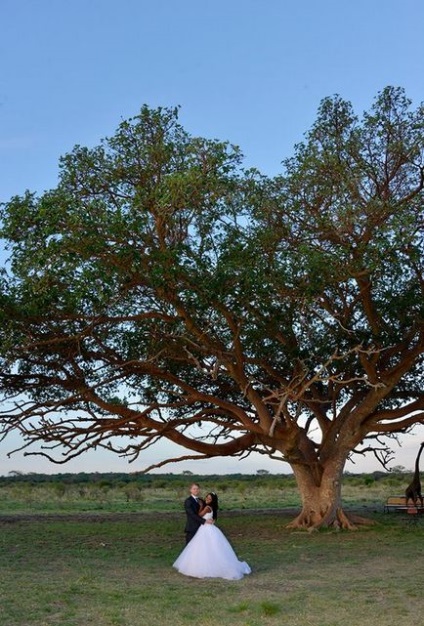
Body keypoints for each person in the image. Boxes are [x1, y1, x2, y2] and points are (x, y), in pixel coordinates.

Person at [173, 492, 251, 580]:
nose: (207, 499)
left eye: (209, 499)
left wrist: (201, 506)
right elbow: (212, 519)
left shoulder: (207, 507)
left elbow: (199, 515)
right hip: (210, 528)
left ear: (212, 500)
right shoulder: (213, 508)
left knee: (203, 547)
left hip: (205, 529)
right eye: (207, 497)